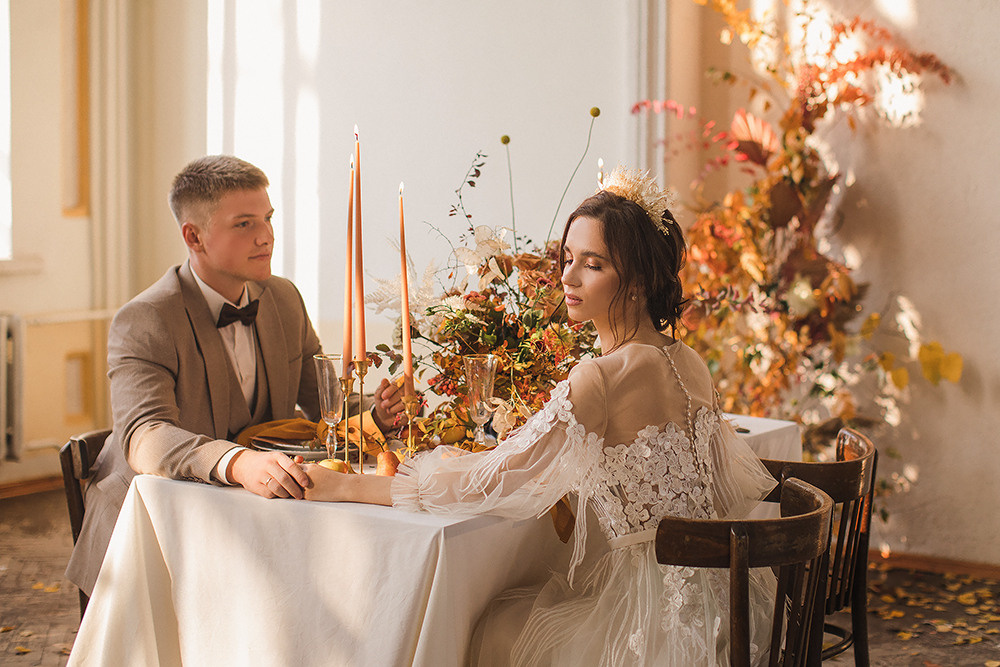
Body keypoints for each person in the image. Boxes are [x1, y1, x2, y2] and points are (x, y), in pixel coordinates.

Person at [302, 166, 778, 665]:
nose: (567, 277)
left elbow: (491, 480)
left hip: (651, 616)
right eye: (568, 258)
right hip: (726, 602)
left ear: (636, 280)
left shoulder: (602, 376)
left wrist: (347, 486)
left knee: (492, 628)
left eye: (593, 264)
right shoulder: (686, 360)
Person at [66, 155, 403, 598]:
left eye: (267, 218)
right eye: (244, 224)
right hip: (151, 527)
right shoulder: (145, 319)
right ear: (194, 236)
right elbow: (144, 437)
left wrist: (376, 412)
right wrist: (238, 463)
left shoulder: (283, 298)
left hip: (255, 516)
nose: (267, 236)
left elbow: (323, 402)